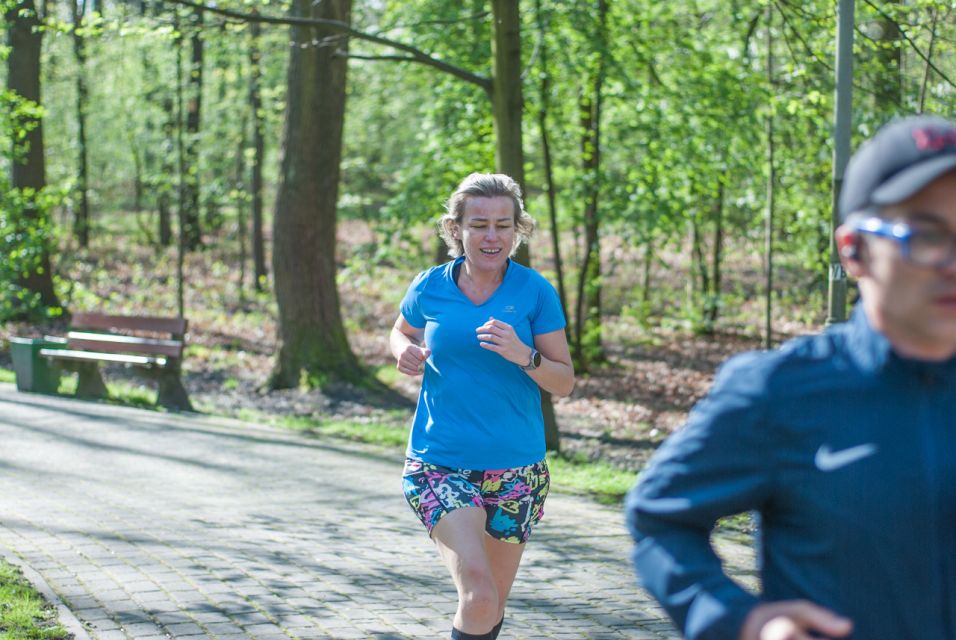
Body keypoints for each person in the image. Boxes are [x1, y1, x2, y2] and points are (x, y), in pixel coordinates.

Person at [625, 114, 956, 640]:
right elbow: (660, 521)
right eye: (926, 234)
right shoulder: (779, 391)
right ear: (854, 250)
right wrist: (742, 621)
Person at [391, 173, 575, 640]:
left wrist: (525, 355)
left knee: (490, 608)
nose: (492, 236)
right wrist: (401, 350)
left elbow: (564, 381)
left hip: (518, 472)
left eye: (502, 225)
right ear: (456, 229)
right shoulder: (429, 286)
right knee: (478, 594)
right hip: (440, 463)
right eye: (479, 225)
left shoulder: (535, 292)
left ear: (517, 230)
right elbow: (402, 330)